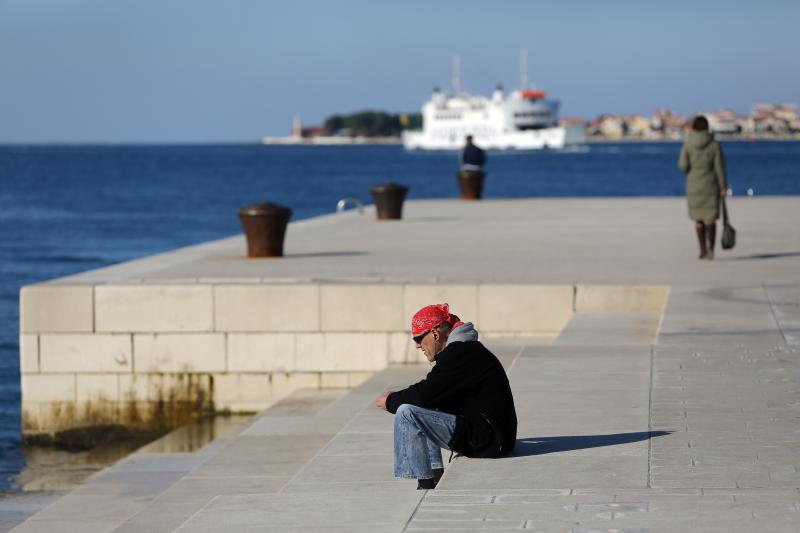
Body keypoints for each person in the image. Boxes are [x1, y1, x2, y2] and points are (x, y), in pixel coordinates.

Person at [375, 303, 517, 490]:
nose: (417, 345)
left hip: (490, 440)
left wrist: (390, 401)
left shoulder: (460, 352)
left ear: (435, 333)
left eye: (418, 338)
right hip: (494, 436)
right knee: (425, 404)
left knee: (406, 413)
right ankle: (435, 474)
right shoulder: (463, 349)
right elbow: (431, 393)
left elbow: (424, 394)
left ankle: (425, 484)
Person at [678, 115, 728, 260]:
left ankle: (702, 250)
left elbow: (682, 166)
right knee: (711, 218)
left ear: (693, 127)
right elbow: (720, 168)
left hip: (694, 185)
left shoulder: (688, 144)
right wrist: (723, 186)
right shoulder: (714, 145)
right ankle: (711, 248)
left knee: (698, 219)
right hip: (711, 185)